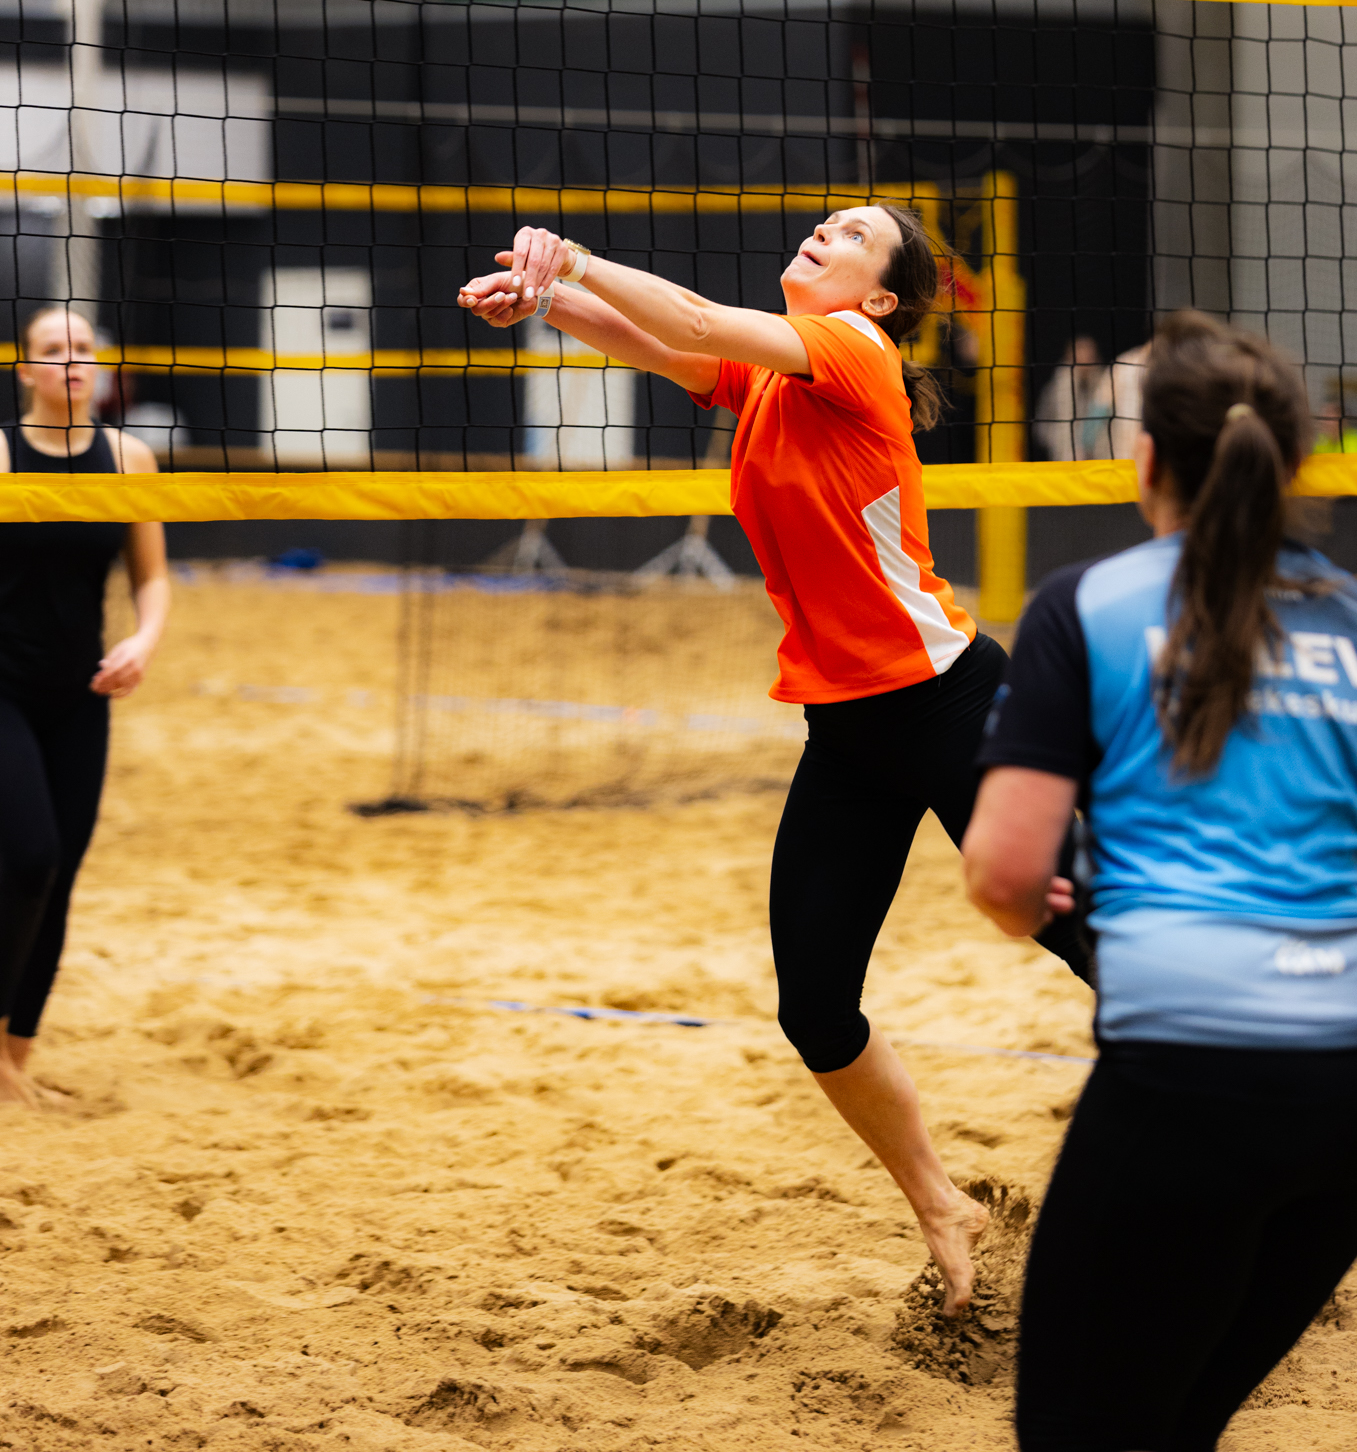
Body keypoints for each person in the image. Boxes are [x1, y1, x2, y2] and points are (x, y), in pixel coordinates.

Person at [460, 207, 1087, 1315]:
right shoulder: (772, 376)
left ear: (880, 296)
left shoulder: (855, 349)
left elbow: (695, 317)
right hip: (847, 730)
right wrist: (547, 298)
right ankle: (944, 1205)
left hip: (949, 702)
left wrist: (579, 258)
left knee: (1099, 942)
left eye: (850, 234)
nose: (822, 231)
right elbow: (663, 343)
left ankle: (1278, 1107)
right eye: (826, 221)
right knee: (816, 1009)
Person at [963, 308, 1357, 1450]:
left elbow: (1001, 873)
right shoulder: (1349, 619)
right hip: (1346, 1088)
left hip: (1190, 1067)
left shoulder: (1086, 603)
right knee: (1180, 1423)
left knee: (1084, 1430)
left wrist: (1044, 896)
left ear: (1144, 460)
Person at [0, 307, 170, 1108]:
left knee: (58, 877)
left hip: (81, 691)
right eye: (53, 349)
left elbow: (151, 576)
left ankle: (13, 1063)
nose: (72, 360)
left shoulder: (129, 457)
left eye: (83, 348)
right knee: (29, 860)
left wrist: (144, 641)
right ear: (25, 369)